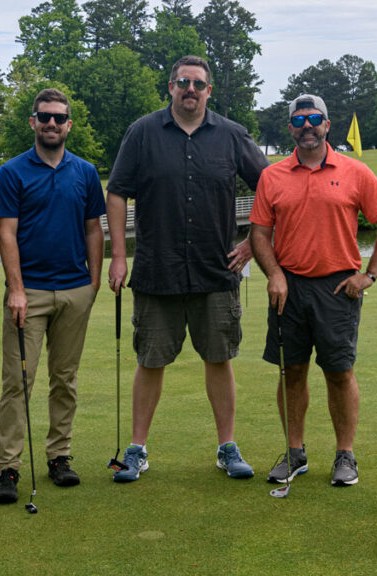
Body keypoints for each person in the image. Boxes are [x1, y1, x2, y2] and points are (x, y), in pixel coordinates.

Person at [106, 55, 269, 482]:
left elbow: (271, 191)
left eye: (198, 83)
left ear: (209, 91)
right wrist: (120, 255)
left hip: (216, 271)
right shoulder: (142, 133)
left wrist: (253, 243)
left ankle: (227, 447)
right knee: (151, 360)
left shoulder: (232, 136)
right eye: (183, 82)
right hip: (157, 270)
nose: (190, 90)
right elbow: (118, 192)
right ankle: (137, 449)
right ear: (171, 87)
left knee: (219, 359)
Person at [249, 94, 377, 487]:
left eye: (314, 118)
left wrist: (370, 275)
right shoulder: (273, 176)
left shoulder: (355, 172)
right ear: (290, 129)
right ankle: (295, 453)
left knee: (339, 373)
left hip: (338, 289)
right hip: (288, 289)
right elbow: (260, 234)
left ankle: (345, 455)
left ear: (327, 124)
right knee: (292, 371)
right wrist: (274, 274)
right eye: (299, 120)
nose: (307, 126)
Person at [0, 89, 105, 504]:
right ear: (33, 122)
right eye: (45, 117)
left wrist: (92, 284)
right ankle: (8, 467)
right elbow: (6, 233)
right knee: (17, 383)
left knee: (65, 381)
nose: (51, 124)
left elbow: (94, 228)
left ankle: (59, 457)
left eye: (59, 118)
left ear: (68, 124)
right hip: (30, 295)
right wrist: (16, 289)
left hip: (75, 290)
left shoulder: (85, 172)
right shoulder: (12, 172)